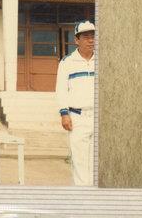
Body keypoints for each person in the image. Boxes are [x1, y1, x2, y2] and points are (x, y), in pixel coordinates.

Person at [55, 20, 96, 186]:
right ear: (76, 40)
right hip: (77, 118)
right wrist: (64, 114)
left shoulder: (102, 60)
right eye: (86, 37)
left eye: (93, 36)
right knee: (80, 163)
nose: (91, 40)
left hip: (97, 117)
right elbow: (61, 90)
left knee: (96, 164)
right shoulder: (67, 62)